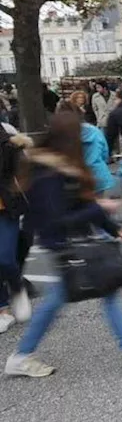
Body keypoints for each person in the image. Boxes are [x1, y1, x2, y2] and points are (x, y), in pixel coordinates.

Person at [4, 111, 122, 378]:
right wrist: (101, 212)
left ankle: (22, 355)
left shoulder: (53, 165)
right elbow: (59, 217)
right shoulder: (50, 171)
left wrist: (112, 227)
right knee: (96, 292)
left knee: (74, 297)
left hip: (68, 242)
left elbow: (80, 204)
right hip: (67, 243)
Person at [0, 125, 33, 333]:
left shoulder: (8, 145)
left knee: (4, 258)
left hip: (5, 209)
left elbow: (26, 173)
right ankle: (3, 309)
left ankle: (17, 286)